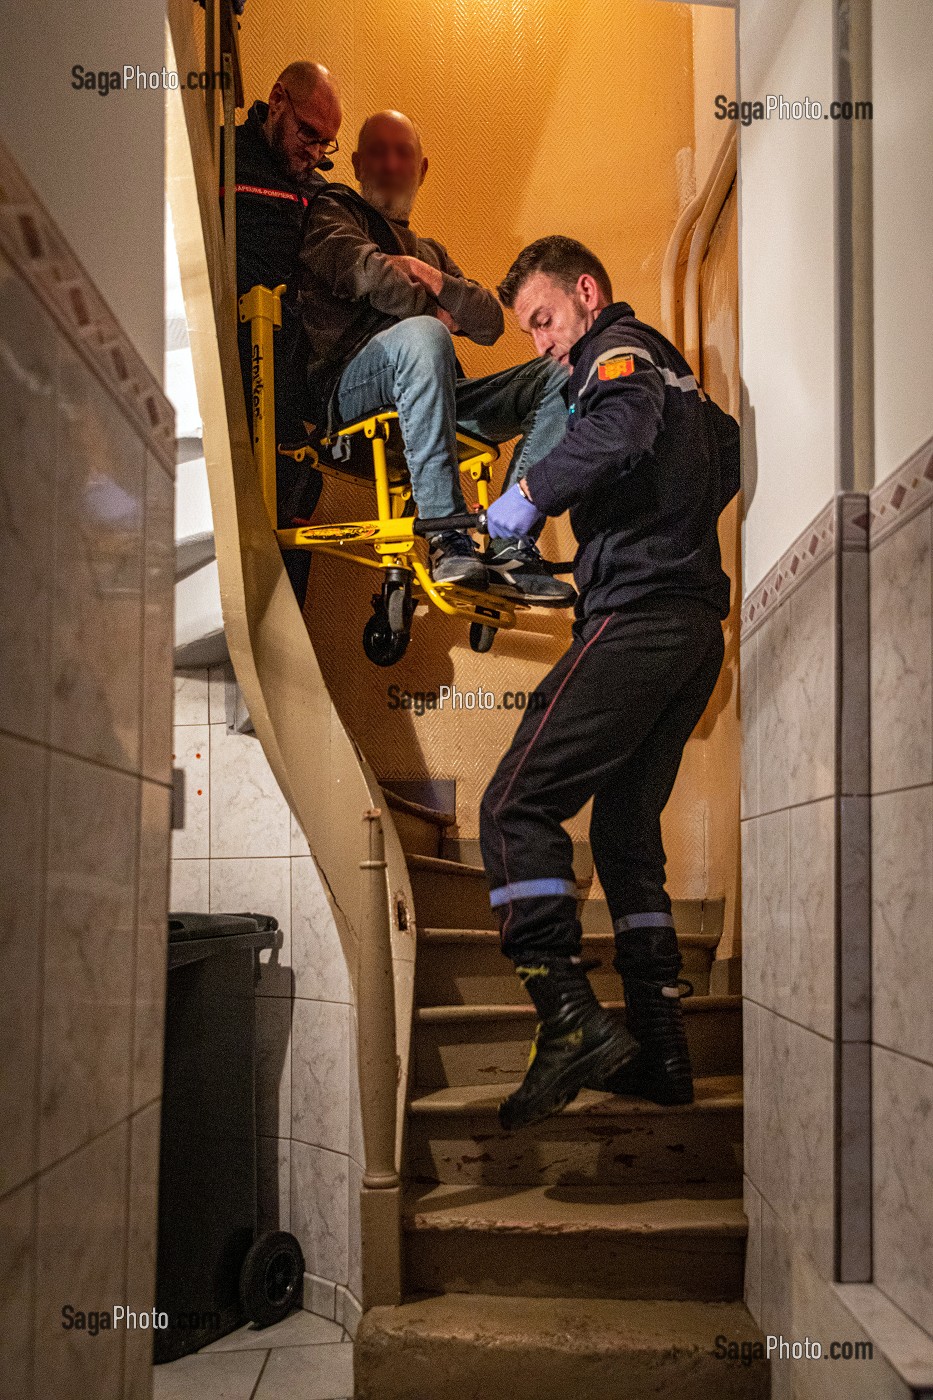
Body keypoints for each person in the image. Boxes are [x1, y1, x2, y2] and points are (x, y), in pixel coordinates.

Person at [478, 235, 741, 1132]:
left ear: (586, 293)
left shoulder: (616, 355)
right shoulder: (682, 380)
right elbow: (726, 453)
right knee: (626, 833)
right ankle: (662, 1054)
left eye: (543, 320)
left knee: (515, 806)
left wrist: (528, 497)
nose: (542, 342)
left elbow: (620, 423)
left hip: (639, 618)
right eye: (530, 331)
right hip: (692, 630)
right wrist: (665, 520)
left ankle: (567, 1022)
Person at [297, 111, 575, 603]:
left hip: (436, 394)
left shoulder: (430, 251)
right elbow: (368, 276)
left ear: (421, 169)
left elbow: (490, 320)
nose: (390, 162)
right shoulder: (332, 210)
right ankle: (447, 536)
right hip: (351, 390)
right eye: (377, 152)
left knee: (563, 368)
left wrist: (433, 277)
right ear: (357, 163)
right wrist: (438, 312)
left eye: (402, 152)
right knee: (427, 334)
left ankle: (511, 546)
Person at [221, 61, 342, 604]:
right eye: (308, 134)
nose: (315, 152)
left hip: (293, 385)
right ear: (277, 101)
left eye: (327, 144)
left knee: (294, 500)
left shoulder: (320, 193)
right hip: (230, 365)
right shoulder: (221, 154)